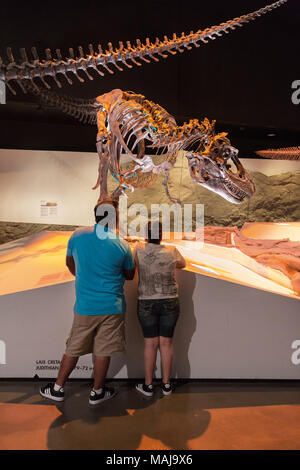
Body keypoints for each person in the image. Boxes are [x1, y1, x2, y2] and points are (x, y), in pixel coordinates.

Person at [40, 199, 135, 405]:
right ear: (114, 218)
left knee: (73, 347)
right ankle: (97, 392)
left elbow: (69, 262)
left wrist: (83, 276)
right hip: (112, 306)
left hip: (85, 305)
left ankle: (57, 389)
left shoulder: (78, 235)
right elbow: (129, 275)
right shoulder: (122, 245)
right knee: (104, 350)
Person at [134, 220, 186, 397]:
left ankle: (148, 386)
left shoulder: (139, 250)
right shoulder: (172, 251)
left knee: (150, 344)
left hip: (146, 300)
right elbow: (182, 264)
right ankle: (166, 384)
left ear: (146, 235)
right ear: (161, 235)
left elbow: (131, 267)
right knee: (166, 343)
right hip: (170, 300)